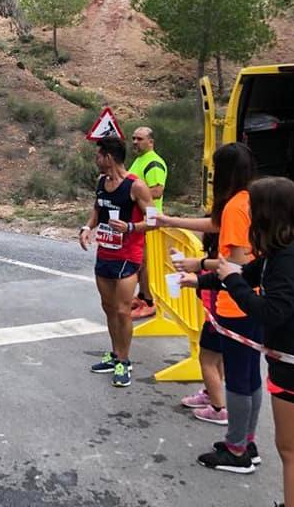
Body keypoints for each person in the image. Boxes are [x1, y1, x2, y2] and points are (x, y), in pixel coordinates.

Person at [180, 177, 294, 507]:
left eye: (253, 208)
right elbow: (244, 274)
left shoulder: (292, 260)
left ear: (270, 213)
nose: (248, 214)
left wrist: (234, 282)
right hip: (290, 360)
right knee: (291, 447)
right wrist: (197, 279)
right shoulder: (279, 254)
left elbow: (269, 311)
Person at [158, 142, 262, 473]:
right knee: (249, 378)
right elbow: (216, 227)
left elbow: (236, 262)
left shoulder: (235, 207)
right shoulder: (250, 200)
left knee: (240, 382)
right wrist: (170, 220)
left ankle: (237, 451)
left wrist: (197, 264)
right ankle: (246, 442)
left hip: (236, 304)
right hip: (254, 301)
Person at [79, 136, 155, 388]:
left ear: (109, 157)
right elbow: (97, 210)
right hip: (105, 254)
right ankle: (114, 355)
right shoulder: (102, 181)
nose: (96, 160)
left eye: (98, 155)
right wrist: (86, 228)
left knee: (124, 310)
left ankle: (125, 361)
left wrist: (131, 226)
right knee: (109, 307)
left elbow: (155, 220)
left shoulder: (136, 186)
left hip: (127, 256)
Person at [127, 126, 167, 319]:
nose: (135, 142)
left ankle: (149, 302)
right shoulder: (139, 160)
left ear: (151, 141)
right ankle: (142, 295)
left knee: (147, 263)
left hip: (149, 219)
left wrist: (130, 195)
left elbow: (157, 190)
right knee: (141, 262)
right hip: (140, 218)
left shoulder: (154, 163)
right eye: (134, 138)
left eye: (140, 139)